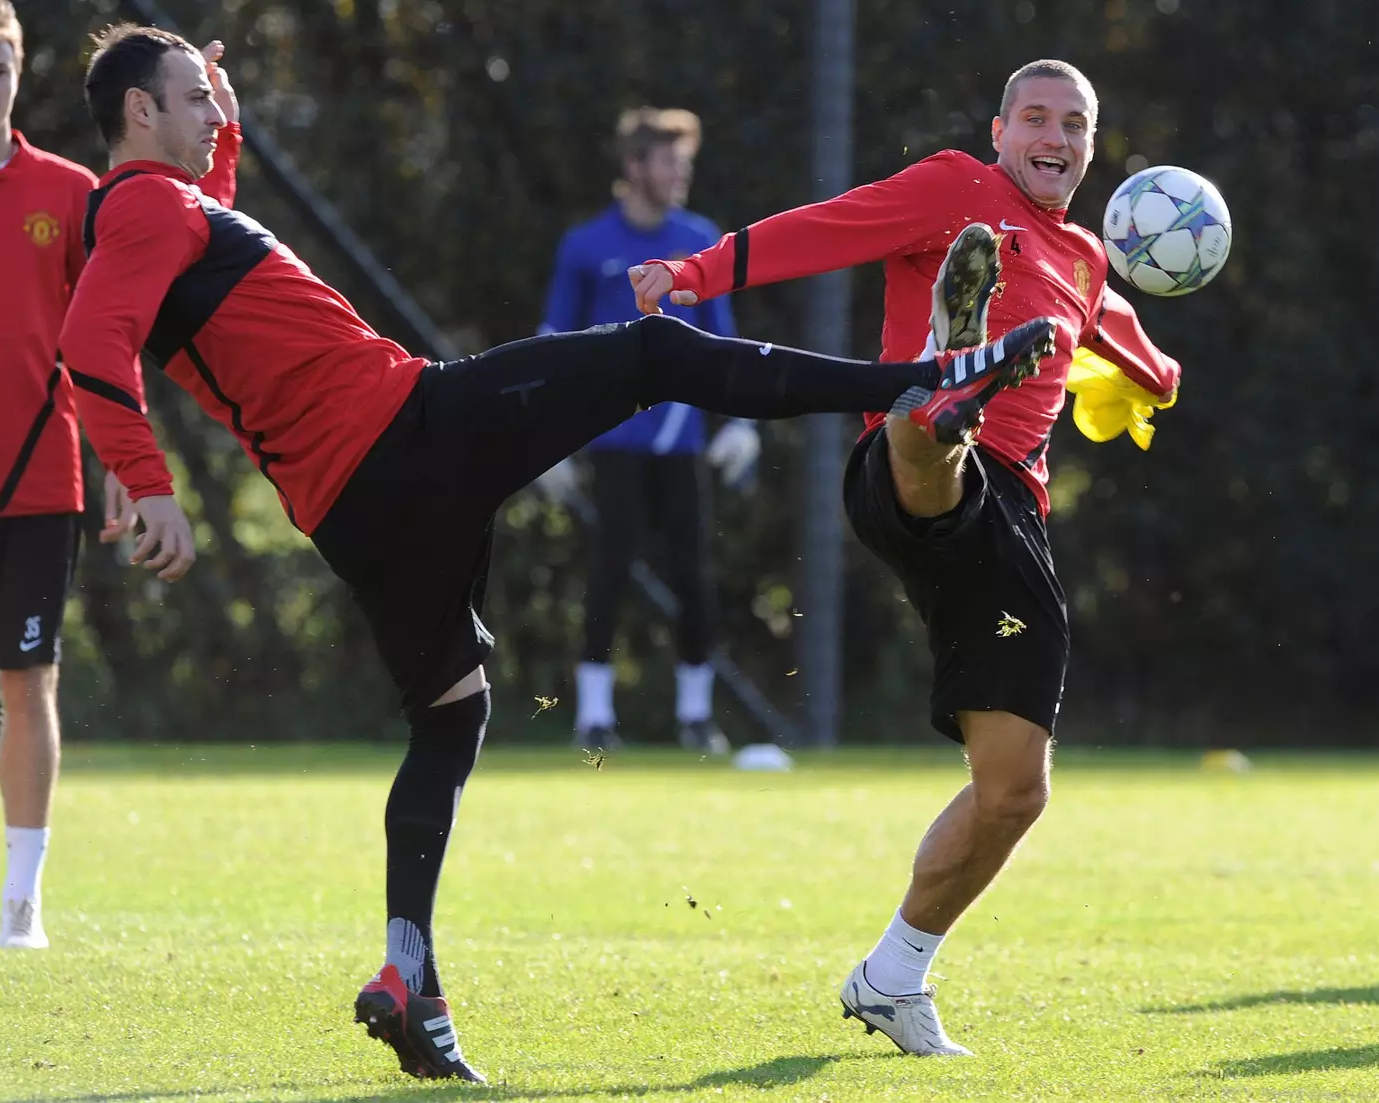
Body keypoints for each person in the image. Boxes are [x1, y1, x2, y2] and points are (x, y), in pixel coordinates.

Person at [59, 23, 1054, 1082]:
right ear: (137, 112)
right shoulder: (149, 207)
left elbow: (185, 233)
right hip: (406, 429)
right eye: (191, 97)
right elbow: (88, 343)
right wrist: (152, 484)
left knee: (452, 714)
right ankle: (913, 382)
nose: (210, 112)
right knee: (659, 352)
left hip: (350, 512)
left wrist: (226, 107)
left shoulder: (160, 215)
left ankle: (412, 976)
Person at [631, 58, 1181, 1057]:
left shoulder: (1089, 260)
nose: (1056, 139)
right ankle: (941, 384)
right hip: (909, 466)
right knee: (935, 442)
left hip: (1010, 527)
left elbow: (1131, 350)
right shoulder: (957, 188)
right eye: (1038, 119)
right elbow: (825, 226)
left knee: (1016, 786)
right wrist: (694, 271)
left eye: (1076, 126)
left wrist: (1156, 375)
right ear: (1002, 128)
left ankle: (894, 974)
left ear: (1095, 147)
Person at [0, 0, 128, 951]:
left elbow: (105, 338)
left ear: (19, 77)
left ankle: (22, 902)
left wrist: (121, 458)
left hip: (39, 484)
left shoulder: (67, 193)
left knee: (29, 685)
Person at [538, 106, 758, 754]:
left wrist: (741, 420)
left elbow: (725, 339)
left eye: (685, 161)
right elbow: (555, 343)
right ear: (634, 167)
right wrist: (544, 436)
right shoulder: (585, 246)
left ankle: (696, 716)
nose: (680, 172)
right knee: (609, 571)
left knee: (692, 574)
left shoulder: (699, 237)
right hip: (613, 441)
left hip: (681, 442)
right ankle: (594, 718)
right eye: (668, 161)